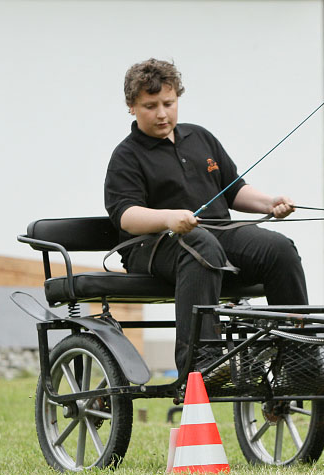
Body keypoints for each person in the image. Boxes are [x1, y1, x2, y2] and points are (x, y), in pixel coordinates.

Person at [104, 58, 308, 376]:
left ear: (177, 99)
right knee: (202, 245)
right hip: (154, 245)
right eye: (150, 105)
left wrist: (270, 202)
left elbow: (234, 190)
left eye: (168, 103)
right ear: (131, 106)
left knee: (279, 249)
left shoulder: (201, 138)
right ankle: (202, 362)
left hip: (216, 235)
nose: (161, 113)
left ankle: (299, 358)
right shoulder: (127, 156)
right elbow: (126, 215)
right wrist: (169, 218)